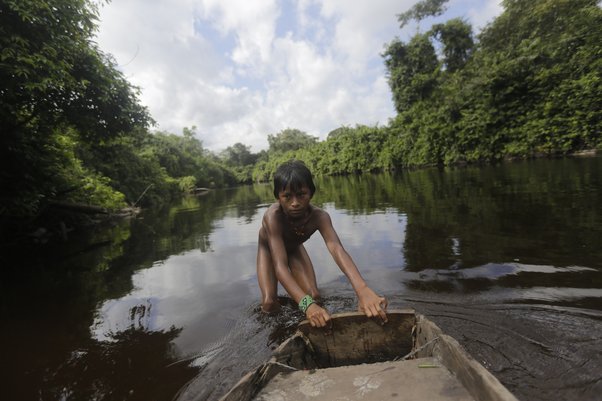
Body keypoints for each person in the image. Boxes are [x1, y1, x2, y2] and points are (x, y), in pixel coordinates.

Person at [256, 159, 388, 327]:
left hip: (294, 248)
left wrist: (362, 290)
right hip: (269, 251)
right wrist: (307, 306)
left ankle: (304, 317)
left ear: (311, 193)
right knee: (269, 303)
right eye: (287, 196)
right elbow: (280, 267)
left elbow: (336, 248)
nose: (295, 202)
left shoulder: (320, 217)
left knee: (314, 296)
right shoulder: (272, 217)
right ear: (278, 197)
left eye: (301, 194)